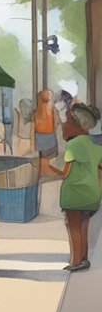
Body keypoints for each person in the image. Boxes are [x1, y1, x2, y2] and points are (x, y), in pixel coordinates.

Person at [60, 102, 102, 272]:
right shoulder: (95, 146)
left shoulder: (73, 145)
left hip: (74, 194)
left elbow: (64, 173)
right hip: (92, 194)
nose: (63, 124)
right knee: (84, 225)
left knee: (74, 228)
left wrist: (46, 167)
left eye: (67, 121)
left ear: (79, 125)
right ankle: (83, 259)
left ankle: (75, 261)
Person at [34, 89, 65, 178]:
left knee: (50, 169)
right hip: (39, 145)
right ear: (38, 101)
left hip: (51, 144)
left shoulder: (54, 113)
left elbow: (59, 132)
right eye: (43, 101)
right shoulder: (35, 114)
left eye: (48, 101)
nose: (45, 104)